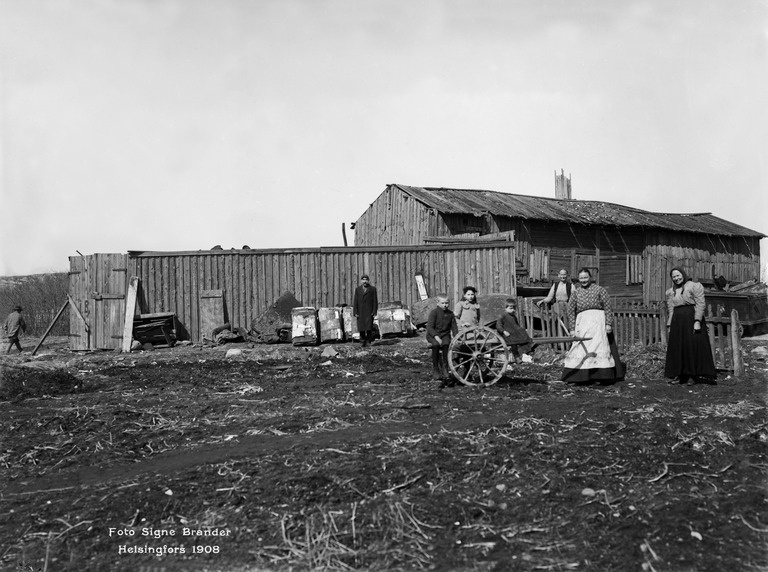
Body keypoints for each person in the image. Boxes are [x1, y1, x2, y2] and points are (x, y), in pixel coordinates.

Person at [562, 268, 623, 383]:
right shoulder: (576, 293)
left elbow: (608, 307)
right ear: (578, 279)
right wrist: (572, 329)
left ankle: (602, 376)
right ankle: (582, 377)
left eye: (585, 277)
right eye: (581, 278)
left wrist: (608, 323)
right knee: (583, 348)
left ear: (590, 277)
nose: (583, 280)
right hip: (583, 324)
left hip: (598, 323)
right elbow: (570, 311)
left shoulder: (600, 290)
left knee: (600, 347)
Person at [664, 267, 717, 385]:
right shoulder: (670, 291)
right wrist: (670, 324)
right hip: (677, 321)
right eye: (674, 277)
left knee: (692, 346)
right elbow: (671, 308)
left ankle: (693, 375)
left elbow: (700, 304)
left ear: (683, 274)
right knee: (678, 347)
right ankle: (681, 375)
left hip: (690, 318)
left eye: (678, 275)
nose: (676, 278)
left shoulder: (694, 286)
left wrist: (697, 321)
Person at [426, 294, 458, 381]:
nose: (445, 305)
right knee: (436, 345)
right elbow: (430, 327)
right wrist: (436, 336)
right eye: (443, 303)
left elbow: (454, 327)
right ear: (438, 303)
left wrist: (456, 337)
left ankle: (445, 367)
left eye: (447, 303)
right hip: (432, 335)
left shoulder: (450, 314)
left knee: (446, 344)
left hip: (445, 335)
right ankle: (435, 368)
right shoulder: (434, 312)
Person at [496, 298, 534, 364]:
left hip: (513, 333)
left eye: (514, 308)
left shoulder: (513, 317)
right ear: (505, 308)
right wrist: (503, 331)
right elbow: (498, 325)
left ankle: (526, 350)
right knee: (514, 342)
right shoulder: (502, 316)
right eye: (511, 308)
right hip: (505, 335)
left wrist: (520, 330)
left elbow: (516, 325)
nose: (513, 310)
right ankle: (516, 357)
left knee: (522, 333)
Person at [353, 274, 378, 347]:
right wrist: (355, 312)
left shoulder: (372, 289)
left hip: (369, 311)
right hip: (360, 312)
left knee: (369, 327)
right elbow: (355, 301)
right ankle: (362, 341)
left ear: (368, 281)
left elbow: (375, 301)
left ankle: (368, 341)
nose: (365, 281)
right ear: (361, 281)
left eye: (366, 280)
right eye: (363, 280)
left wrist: (374, 311)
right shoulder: (358, 289)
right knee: (361, 327)